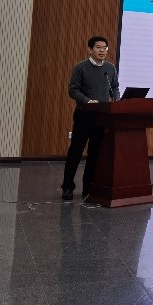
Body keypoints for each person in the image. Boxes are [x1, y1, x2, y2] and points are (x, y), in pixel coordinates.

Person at [61, 36, 119, 201]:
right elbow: (73, 90)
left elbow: (114, 87)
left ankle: (88, 188)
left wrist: (116, 99)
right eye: (98, 47)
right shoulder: (80, 67)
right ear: (90, 50)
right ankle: (67, 187)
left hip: (101, 116)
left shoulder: (110, 68)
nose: (102, 51)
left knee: (95, 153)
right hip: (84, 115)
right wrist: (87, 101)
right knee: (76, 152)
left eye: (105, 48)